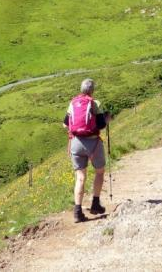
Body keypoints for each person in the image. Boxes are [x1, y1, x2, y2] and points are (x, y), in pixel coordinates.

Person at [63, 78, 109, 222]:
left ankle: (78, 212)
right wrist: (107, 119)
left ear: (81, 89)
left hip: (76, 143)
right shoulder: (95, 103)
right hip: (93, 143)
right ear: (92, 90)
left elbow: (65, 124)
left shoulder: (73, 103)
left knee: (80, 177)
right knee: (99, 172)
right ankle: (95, 203)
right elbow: (101, 125)